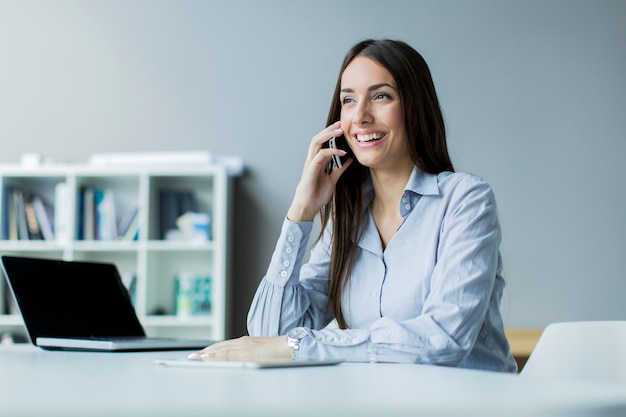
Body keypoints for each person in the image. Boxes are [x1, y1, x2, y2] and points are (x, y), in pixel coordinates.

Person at [189, 39, 518, 372]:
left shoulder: (465, 200)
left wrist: (300, 346)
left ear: (414, 107)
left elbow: (444, 340)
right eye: (349, 100)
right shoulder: (349, 217)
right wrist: (301, 211)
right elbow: (270, 335)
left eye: (381, 96)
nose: (360, 116)